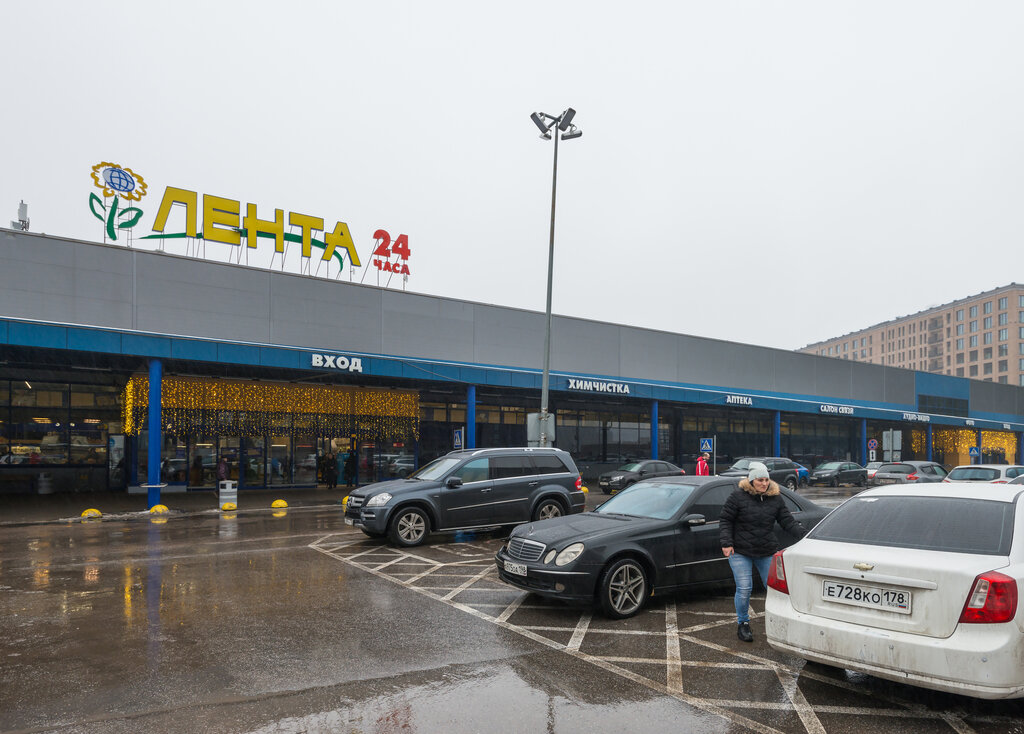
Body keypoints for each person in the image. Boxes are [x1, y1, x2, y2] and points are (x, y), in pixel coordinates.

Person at [719, 461, 806, 643]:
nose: (764, 483)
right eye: (760, 480)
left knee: (775, 589)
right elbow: (726, 520)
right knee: (744, 588)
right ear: (751, 481)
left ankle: (781, 622)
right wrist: (726, 543)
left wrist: (805, 537)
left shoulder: (775, 498)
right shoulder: (737, 497)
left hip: (765, 550)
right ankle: (743, 624)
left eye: (766, 479)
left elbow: (787, 521)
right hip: (740, 550)